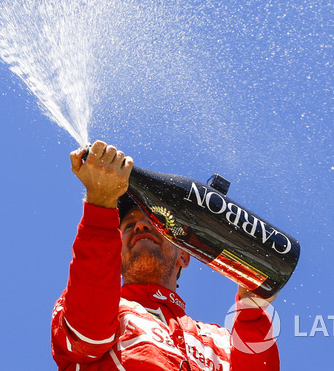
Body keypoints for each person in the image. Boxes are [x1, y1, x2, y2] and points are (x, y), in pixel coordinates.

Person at [51, 140, 280, 370]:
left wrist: (253, 310)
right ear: (115, 255)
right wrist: (100, 208)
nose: (140, 226)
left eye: (155, 222)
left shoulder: (219, 342)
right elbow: (88, 335)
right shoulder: (97, 309)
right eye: (128, 225)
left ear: (185, 256)